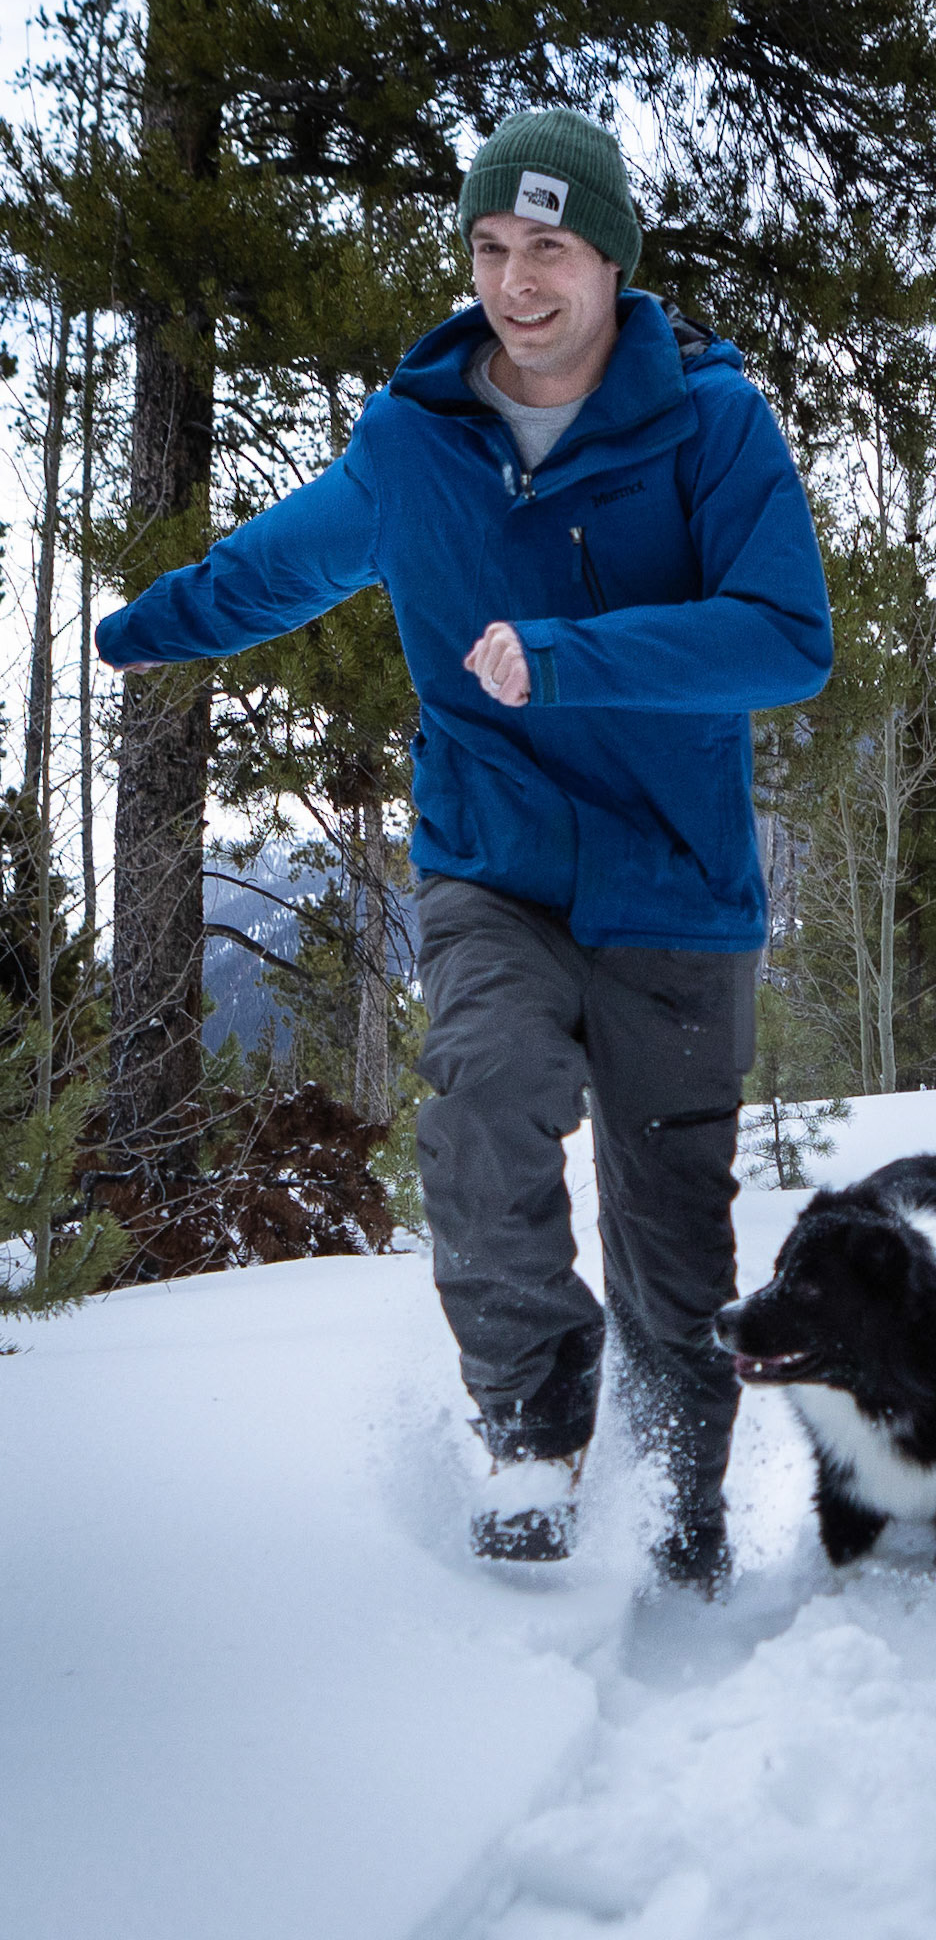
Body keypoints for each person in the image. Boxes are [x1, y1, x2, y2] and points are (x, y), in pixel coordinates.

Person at [96, 107, 834, 1590]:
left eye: (548, 247)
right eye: (491, 247)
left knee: (672, 1212)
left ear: (612, 258)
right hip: (491, 860)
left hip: (675, 885)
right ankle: (529, 1421)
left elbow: (785, 639)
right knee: (484, 1093)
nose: (516, 280)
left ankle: (685, 1494)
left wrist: (566, 659)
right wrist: (136, 631)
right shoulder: (414, 442)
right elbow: (271, 569)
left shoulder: (710, 422)